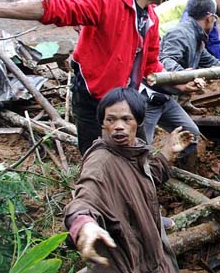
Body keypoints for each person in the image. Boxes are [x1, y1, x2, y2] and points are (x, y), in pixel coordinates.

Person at [0, 0, 195, 155]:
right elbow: (55, 7)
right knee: (95, 158)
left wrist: (179, 83)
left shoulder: (151, 17)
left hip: (128, 104)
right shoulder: (107, 1)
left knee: (137, 155)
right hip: (94, 101)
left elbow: (151, 65)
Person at [64, 87, 193, 273]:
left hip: (152, 255)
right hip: (130, 263)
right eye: (111, 119)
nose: (118, 126)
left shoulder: (132, 152)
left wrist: (168, 153)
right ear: (102, 123)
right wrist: (83, 225)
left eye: (126, 119)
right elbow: (85, 197)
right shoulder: (101, 161)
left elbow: (144, 180)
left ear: (138, 122)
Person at [153, 0, 220, 168]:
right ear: (210, 17)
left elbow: (212, 62)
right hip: (151, 99)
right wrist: (185, 76)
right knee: (140, 145)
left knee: (191, 136)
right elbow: (166, 60)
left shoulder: (197, 39)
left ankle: (180, 174)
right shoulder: (181, 33)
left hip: (167, 100)